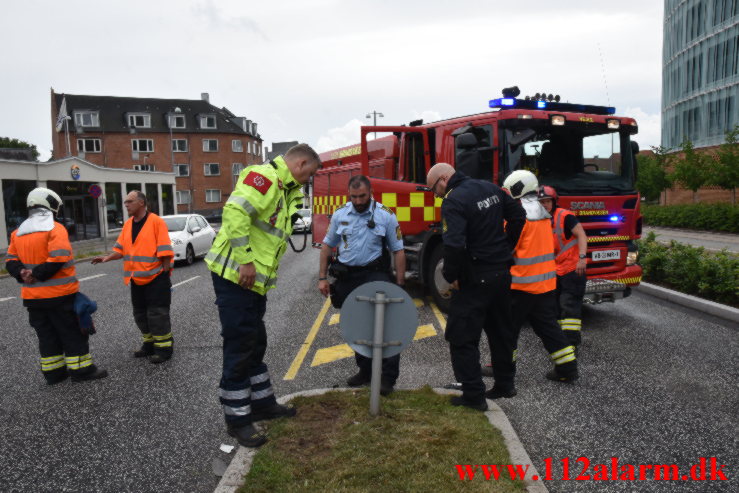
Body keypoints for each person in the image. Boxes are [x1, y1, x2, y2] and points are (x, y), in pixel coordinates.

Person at [205, 143, 321, 448]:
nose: (308, 181)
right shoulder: (264, 177)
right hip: (235, 275)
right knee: (241, 345)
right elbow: (234, 213)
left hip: (252, 284)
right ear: (301, 164)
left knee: (255, 342)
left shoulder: (284, 188)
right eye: (309, 174)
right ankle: (238, 420)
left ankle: (262, 404)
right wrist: (244, 260)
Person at [426, 163, 526, 411]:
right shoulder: (490, 188)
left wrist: (451, 275)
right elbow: (518, 216)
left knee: (461, 336)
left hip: (475, 278)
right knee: (501, 332)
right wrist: (505, 246)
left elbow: (454, 245)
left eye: (434, 190)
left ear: (443, 179)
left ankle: (473, 395)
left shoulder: (453, 201)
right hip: (501, 273)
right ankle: (505, 384)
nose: (436, 196)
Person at [5, 188, 107, 384]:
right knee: (72, 334)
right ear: (49, 205)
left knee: (47, 336)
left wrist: (23, 273)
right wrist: (36, 274)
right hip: (59, 296)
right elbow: (59, 257)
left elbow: (10, 261)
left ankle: (54, 374)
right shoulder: (56, 229)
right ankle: (82, 371)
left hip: (33, 300)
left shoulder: (17, 233)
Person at [318, 175, 406, 396]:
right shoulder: (340, 215)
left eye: (362, 196)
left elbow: (398, 250)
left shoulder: (385, 215)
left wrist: (400, 284)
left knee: (385, 327)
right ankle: (365, 371)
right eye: (354, 196)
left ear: (371, 192)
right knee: (355, 327)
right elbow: (327, 246)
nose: (358, 201)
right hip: (348, 277)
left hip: (374, 273)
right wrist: (322, 278)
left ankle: (387, 378)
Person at [501, 170, 579, 387]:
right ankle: (567, 367)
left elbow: (507, 248)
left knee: (507, 329)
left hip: (520, 285)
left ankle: (503, 368)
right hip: (545, 284)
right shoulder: (544, 214)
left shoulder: (516, 216)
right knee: (548, 328)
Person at [91, 190, 174, 364]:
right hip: (136, 280)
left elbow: (165, 252)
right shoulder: (128, 224)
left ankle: (164, 348)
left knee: (157, 315)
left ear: (141, 203)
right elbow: (120, 249)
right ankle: (149, 344)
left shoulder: (156, 222)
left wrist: (165, 276)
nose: (126, 204)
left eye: (129, 201)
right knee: (140, 315)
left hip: (156, 278)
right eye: (126, 202)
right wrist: (106, 258)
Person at [538, 185, 588, 349]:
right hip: (555, 270)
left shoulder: (565, 216)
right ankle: (561, 340)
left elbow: (581, 235)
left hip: (573, 268)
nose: (544, 205)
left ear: (553, 202)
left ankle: (571, 344)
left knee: (569, 307)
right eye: (541, 202)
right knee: (556, 307)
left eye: (547, 201)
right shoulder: (541, 220)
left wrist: (582, 258)